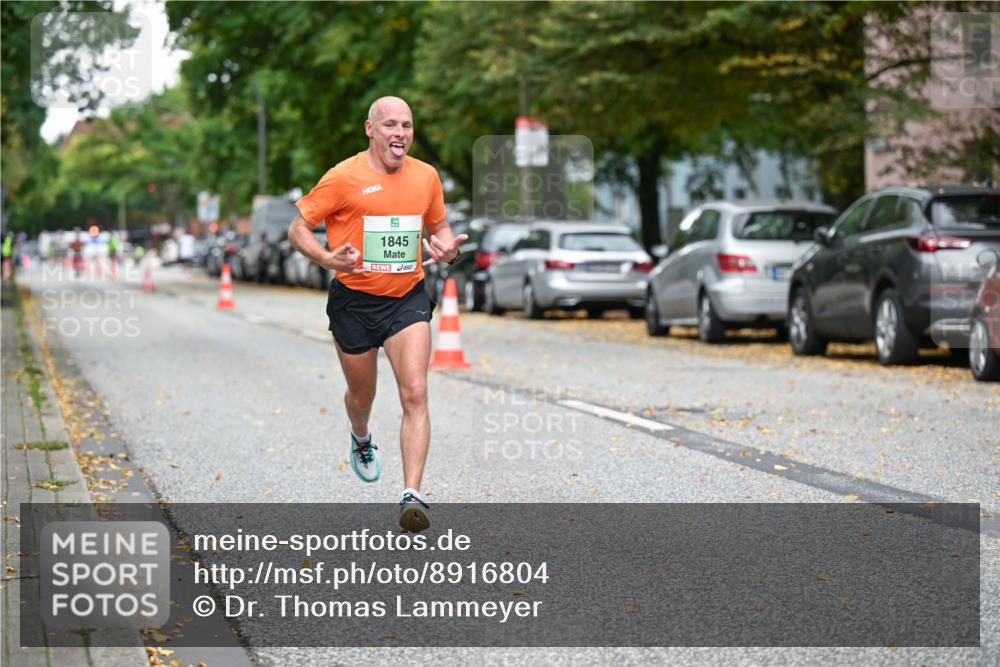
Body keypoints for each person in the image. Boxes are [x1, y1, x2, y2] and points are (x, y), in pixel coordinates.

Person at [288, 96, 467, 533]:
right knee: (362, 396)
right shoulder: (343, 177)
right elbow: (298, 228)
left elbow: (438, 227)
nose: (400, 134)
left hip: (407, 297)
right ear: (370, 129)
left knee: (416, 392)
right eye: (390, 125)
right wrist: (329, 261)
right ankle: (361, 435)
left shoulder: (425, 176)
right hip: (353, 301)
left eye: (406, 125)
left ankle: (413, 495)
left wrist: (448, 248)